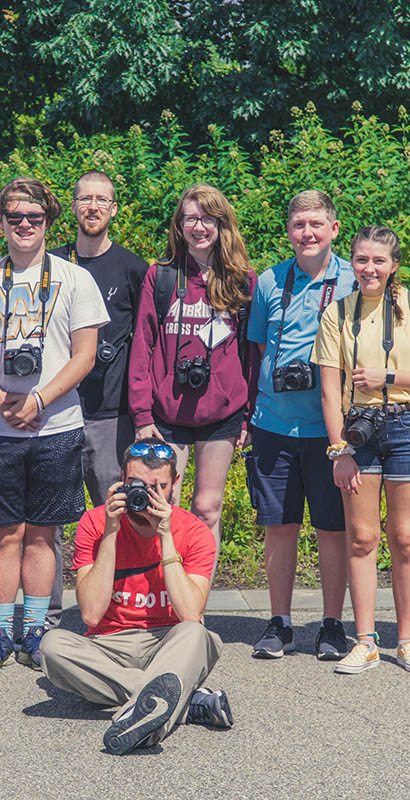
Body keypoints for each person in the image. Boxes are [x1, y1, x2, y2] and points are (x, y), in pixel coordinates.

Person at [0, 177, 108, 673]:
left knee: (42, 534)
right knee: (3, 535)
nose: (23, 226)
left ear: (47, 223)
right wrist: (1, 399)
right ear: (0, 221)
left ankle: (36, 631)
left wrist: (38, 398)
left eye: (34, 219)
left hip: (56, 424)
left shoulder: (74, 278)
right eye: (14, 217)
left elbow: (85, 355)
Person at [313, 225, 410, 675]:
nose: (369, 268)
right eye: (361, 260)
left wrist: (388, 377)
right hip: (359, 433)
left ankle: (407, 640)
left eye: (378, 261)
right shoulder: (338, 313)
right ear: (350, 262)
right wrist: (339, 451)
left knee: (407, 540)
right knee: (362, 539)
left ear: (394, 265)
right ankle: (366, 640)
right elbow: (328, 393)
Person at [41, 440, 233, 755]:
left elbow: (189, 613)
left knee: (198, 634)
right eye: (138, 486)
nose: (147, 496)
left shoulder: (193, 531)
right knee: (52, 647)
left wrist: (166, 536)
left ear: (175, 484)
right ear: (122, 480)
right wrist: (112, 531)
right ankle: (182, 703)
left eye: (160, 487)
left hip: (169, 644)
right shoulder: (95, 522)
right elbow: (90, 613)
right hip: (108, 646)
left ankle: (149, 705)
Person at [245, 190, 357, 660]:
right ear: (288, 230)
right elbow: (253, 352)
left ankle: (332, 624)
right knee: (280, 526)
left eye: (316, 224)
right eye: (298, 225)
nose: (307, 233)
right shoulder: (270, 281)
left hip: (333, 430)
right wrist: (246, 417)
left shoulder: (355, 279)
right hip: (273, 424)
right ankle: (279, 622)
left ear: (334, 229)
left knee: (333, 529)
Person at [128, 184, 258, 555]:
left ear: (222, 224)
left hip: (223, 413)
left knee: (207, 508)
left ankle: (195, 608)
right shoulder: (162, 276)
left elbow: (251, 354)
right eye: (190, 219)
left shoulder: (242, 280)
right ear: (179, 224)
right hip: (167, 413)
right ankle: (165, 603)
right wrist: (141, 413)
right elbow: (142, 348)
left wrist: (248, 415)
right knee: (163, 507)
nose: (199, 227)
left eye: (207, 219)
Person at [48, 169, 148, 627]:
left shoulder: (132, 268)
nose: (92, 207)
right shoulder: (50, 264)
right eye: (84, 198)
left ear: (113, 209)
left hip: (110, 412)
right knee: (47, 514)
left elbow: (149, 341)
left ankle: (118, 605)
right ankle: (45, 612)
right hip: (52, 407)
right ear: (73, 206)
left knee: (114, 510)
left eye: (101, 200)